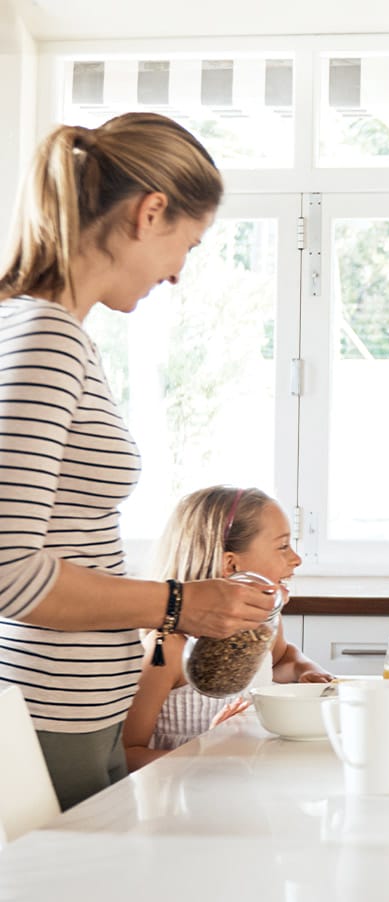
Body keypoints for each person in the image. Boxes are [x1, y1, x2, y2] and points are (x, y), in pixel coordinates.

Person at [0, 113, 277, 811]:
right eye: (188, 242)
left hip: (65, 705)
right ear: (150, 213)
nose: (179, 271)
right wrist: (182, 602)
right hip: (53, 710)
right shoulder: (46, 337)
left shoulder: (37, 329)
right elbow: (7, 573)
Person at [122, 486, 332, 770]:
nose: (296, 559)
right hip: (180, 804)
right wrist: (205, 753)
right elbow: (126, 756)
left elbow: (281, 661)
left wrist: (304, 670)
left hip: (242, 785)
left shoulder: (263, 626)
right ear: (231, 564)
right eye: (283, 546)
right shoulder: (167, 649)